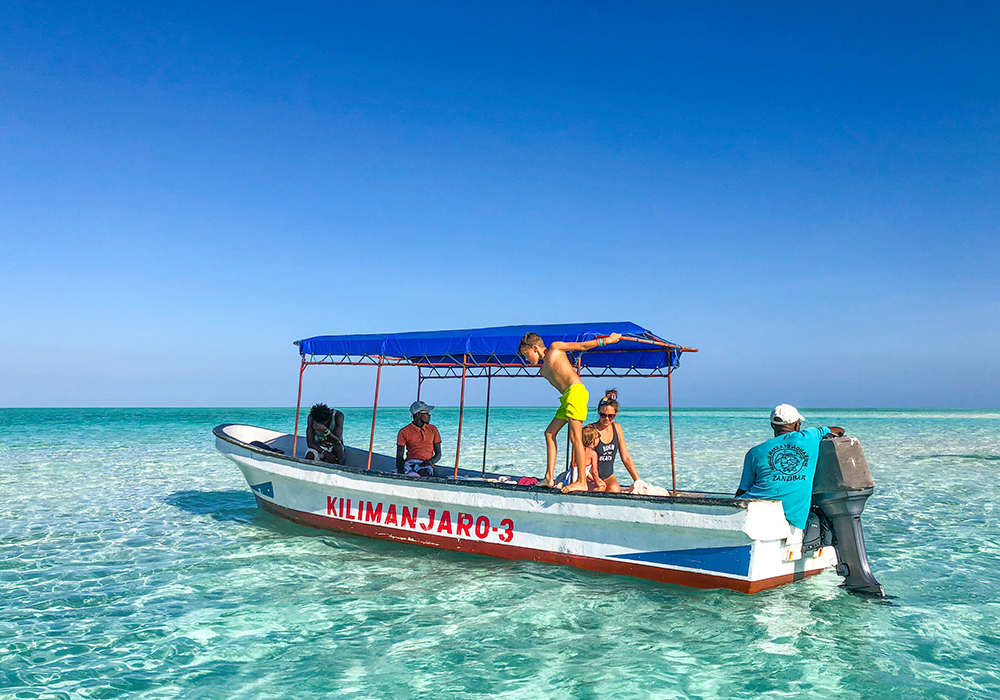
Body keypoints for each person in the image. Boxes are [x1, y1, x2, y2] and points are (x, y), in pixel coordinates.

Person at [518, 330, 622, 492]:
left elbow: (581, 345)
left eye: (526, 354)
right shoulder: (543, 370)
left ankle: (581, 480)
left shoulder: (555, 348)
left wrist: (607, 340)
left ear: (535, 348)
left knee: (575, 437)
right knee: (549, 433)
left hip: (576, 392)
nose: (526, 359)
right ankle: (548, 477)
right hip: (567, 398)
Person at [735, 404, 845, 530]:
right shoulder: (810, 436)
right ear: (797, 424)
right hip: (791, 518)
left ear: (772, 425)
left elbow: (742, 492)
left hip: (753, 512)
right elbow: (839, 430)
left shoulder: (754, 452)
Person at [588, 389, 641, 493]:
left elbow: (625, 457)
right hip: (589, 476)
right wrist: (595, 479)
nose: (606, 419)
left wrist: (637, 480)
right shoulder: (590, 430)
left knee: (614, 489)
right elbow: (579, 459)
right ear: (599, 412)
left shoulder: (617, 428)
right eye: (603, 415)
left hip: (608, 476)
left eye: (610, 416)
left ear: (615, 414)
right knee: (599, 489)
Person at [396, 400, 442, 477]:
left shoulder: (433, 429)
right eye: (426, 413)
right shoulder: (404, 431)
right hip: (410, 463)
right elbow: (400, 456)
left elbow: (438, 454)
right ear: (418, 415)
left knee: (425, 473)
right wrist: (401, 472)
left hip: (425, 464)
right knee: (403, 472)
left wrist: (430, 462)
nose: (429, 416)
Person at [559, 424, 606, 491]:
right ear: (594, 441)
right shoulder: (593, 454)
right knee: (602, 487)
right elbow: (594, 472)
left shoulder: (577, 451)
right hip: (578, 479)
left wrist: (592, 479)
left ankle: (563, 485)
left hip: (569, 477)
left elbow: (582, 468)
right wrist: (598, 482)